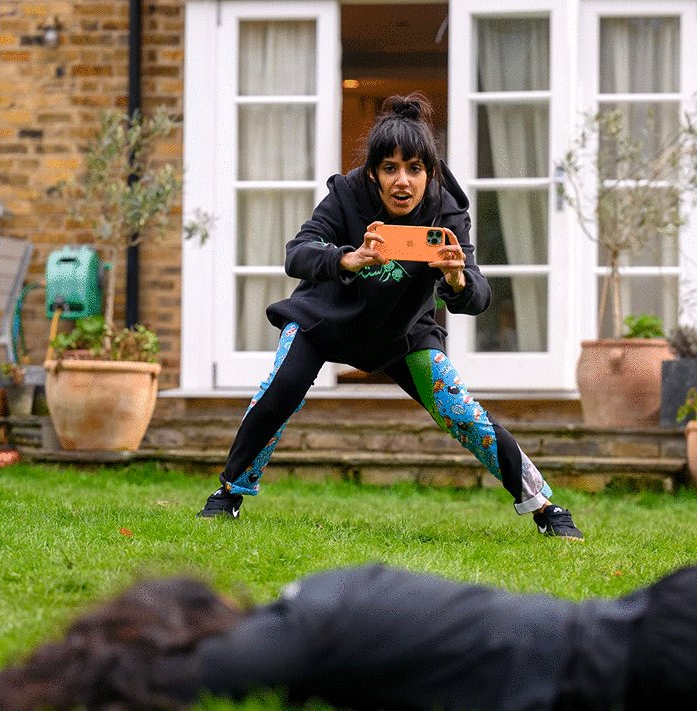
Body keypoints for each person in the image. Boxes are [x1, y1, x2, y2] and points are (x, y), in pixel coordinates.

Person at [195, 92, 582, 540]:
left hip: (402, 333)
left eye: (414, 169)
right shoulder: (346, 195)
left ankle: (544, 507)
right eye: (390, 169)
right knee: (280, 389)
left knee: (459, 408)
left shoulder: (447, 212)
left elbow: (477, 296)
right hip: (324, 320)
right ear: (374, 174)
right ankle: (229, 492)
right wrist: (346, 259)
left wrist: (456, 279)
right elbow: (298, 253)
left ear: (429, 172)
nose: (403, 182)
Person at [0, 555, 697, 710]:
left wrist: (3, 699)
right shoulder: (329, 602)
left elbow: (163, 677)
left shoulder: (315, 625)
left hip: (685, 648)